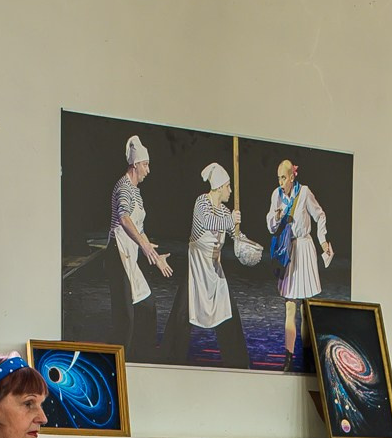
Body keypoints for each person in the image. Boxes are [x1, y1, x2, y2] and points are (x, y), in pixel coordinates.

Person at [159, 162, 262, 367]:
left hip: (214, 271)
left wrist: (246, 244)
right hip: (196, 270)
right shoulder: (202, 203)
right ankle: (170, 361)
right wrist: (231, 220)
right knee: (181, 316)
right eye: (228, 186)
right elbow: (207, 222)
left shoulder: (224, 212)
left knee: (228, 314)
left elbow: (235, 234)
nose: (231, 191)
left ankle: (238, 364)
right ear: (220, 187)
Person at [105, 134, 172, 360]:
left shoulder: (137, 193)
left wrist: (154, 253)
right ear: (135, 165)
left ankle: (143, 359)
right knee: (126, 319)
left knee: (147, 306)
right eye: (145, 165)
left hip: (130, 257)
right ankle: (118, 365)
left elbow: (138, 227)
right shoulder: (123, 186)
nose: (148, 170)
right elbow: (124, 219)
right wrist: (145, 247)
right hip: (118, 254)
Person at [265, 156, 334, 367]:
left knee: (305, 307)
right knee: (289, 306)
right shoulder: (277, 195)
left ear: (292, 177)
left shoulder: (304, 192)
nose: (280, 182)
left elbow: (319, 215)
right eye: (278, 178)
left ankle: (306, 354)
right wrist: (276, 216)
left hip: (304, 248)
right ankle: (288, 355)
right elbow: (270, 224)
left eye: (284, 178)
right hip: (289, 250)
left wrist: (323, 240)